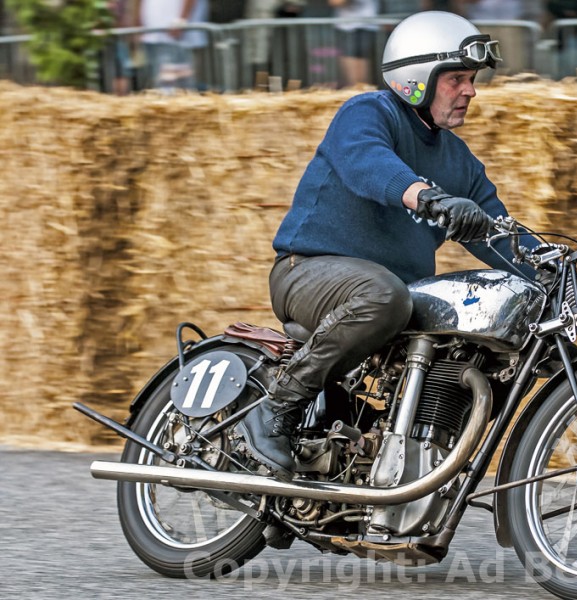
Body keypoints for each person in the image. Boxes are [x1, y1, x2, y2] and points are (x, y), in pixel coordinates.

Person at [236, 10, 525, 480]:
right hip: (308, 272)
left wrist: (559, 277)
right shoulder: (369, 113)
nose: (470, 91)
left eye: (471, 80)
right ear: (417, 78)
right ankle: (276, 406)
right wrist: (427, 198)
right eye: (457, 79)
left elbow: (500, 234)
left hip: (393, 302)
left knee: (478, 339)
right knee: (384, 293)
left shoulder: (460, 162)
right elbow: (368, 164)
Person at [136, 0, 209, 90]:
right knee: (161, 82)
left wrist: (181, 20)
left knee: (177, 84)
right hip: (152, 34)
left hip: (177, 37)